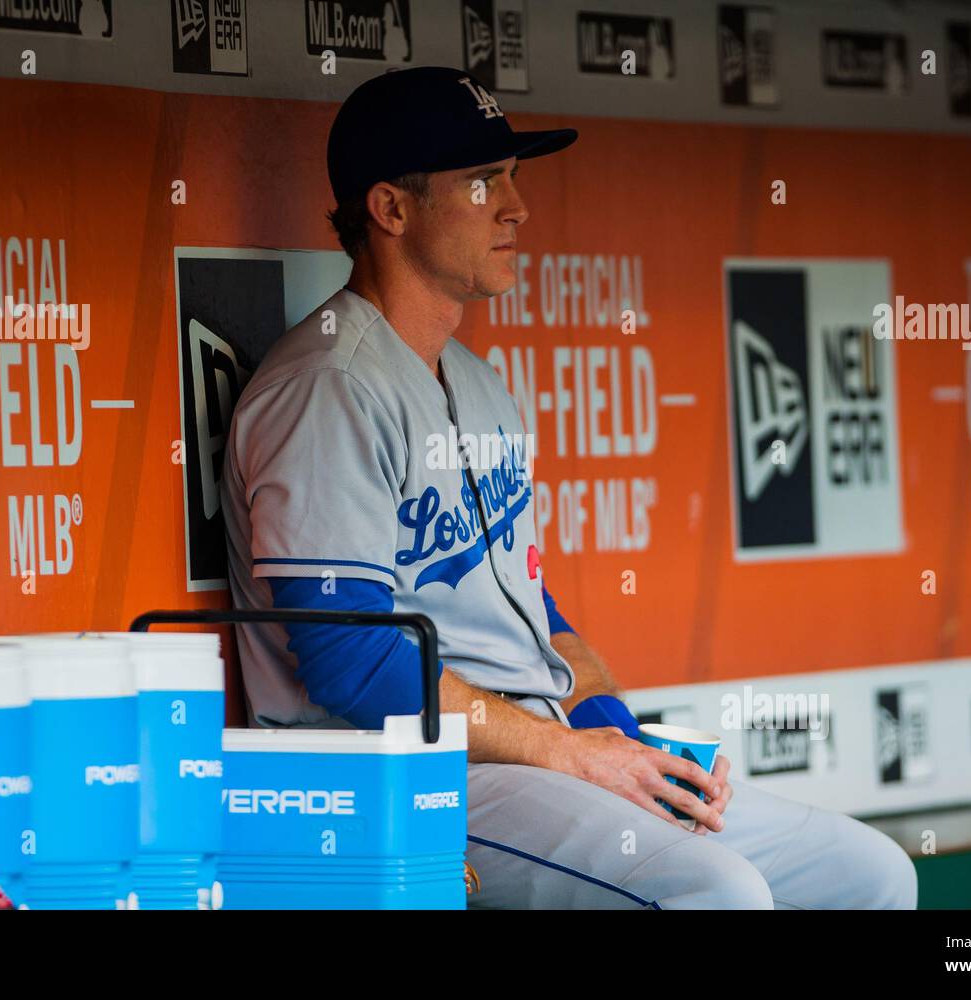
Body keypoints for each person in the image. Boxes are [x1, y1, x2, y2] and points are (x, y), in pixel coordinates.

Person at [222, 66, 917, 909]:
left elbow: (534, 614)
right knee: (717, 892)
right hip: (399, 774)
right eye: (483, 181)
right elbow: (351, 663)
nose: (517, 206)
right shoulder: (328, 389)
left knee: (870, 872)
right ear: (391, 209)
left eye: (514, 176)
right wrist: (578, 757)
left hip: (527, 752)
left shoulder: (479, 387)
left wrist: (628, 749)